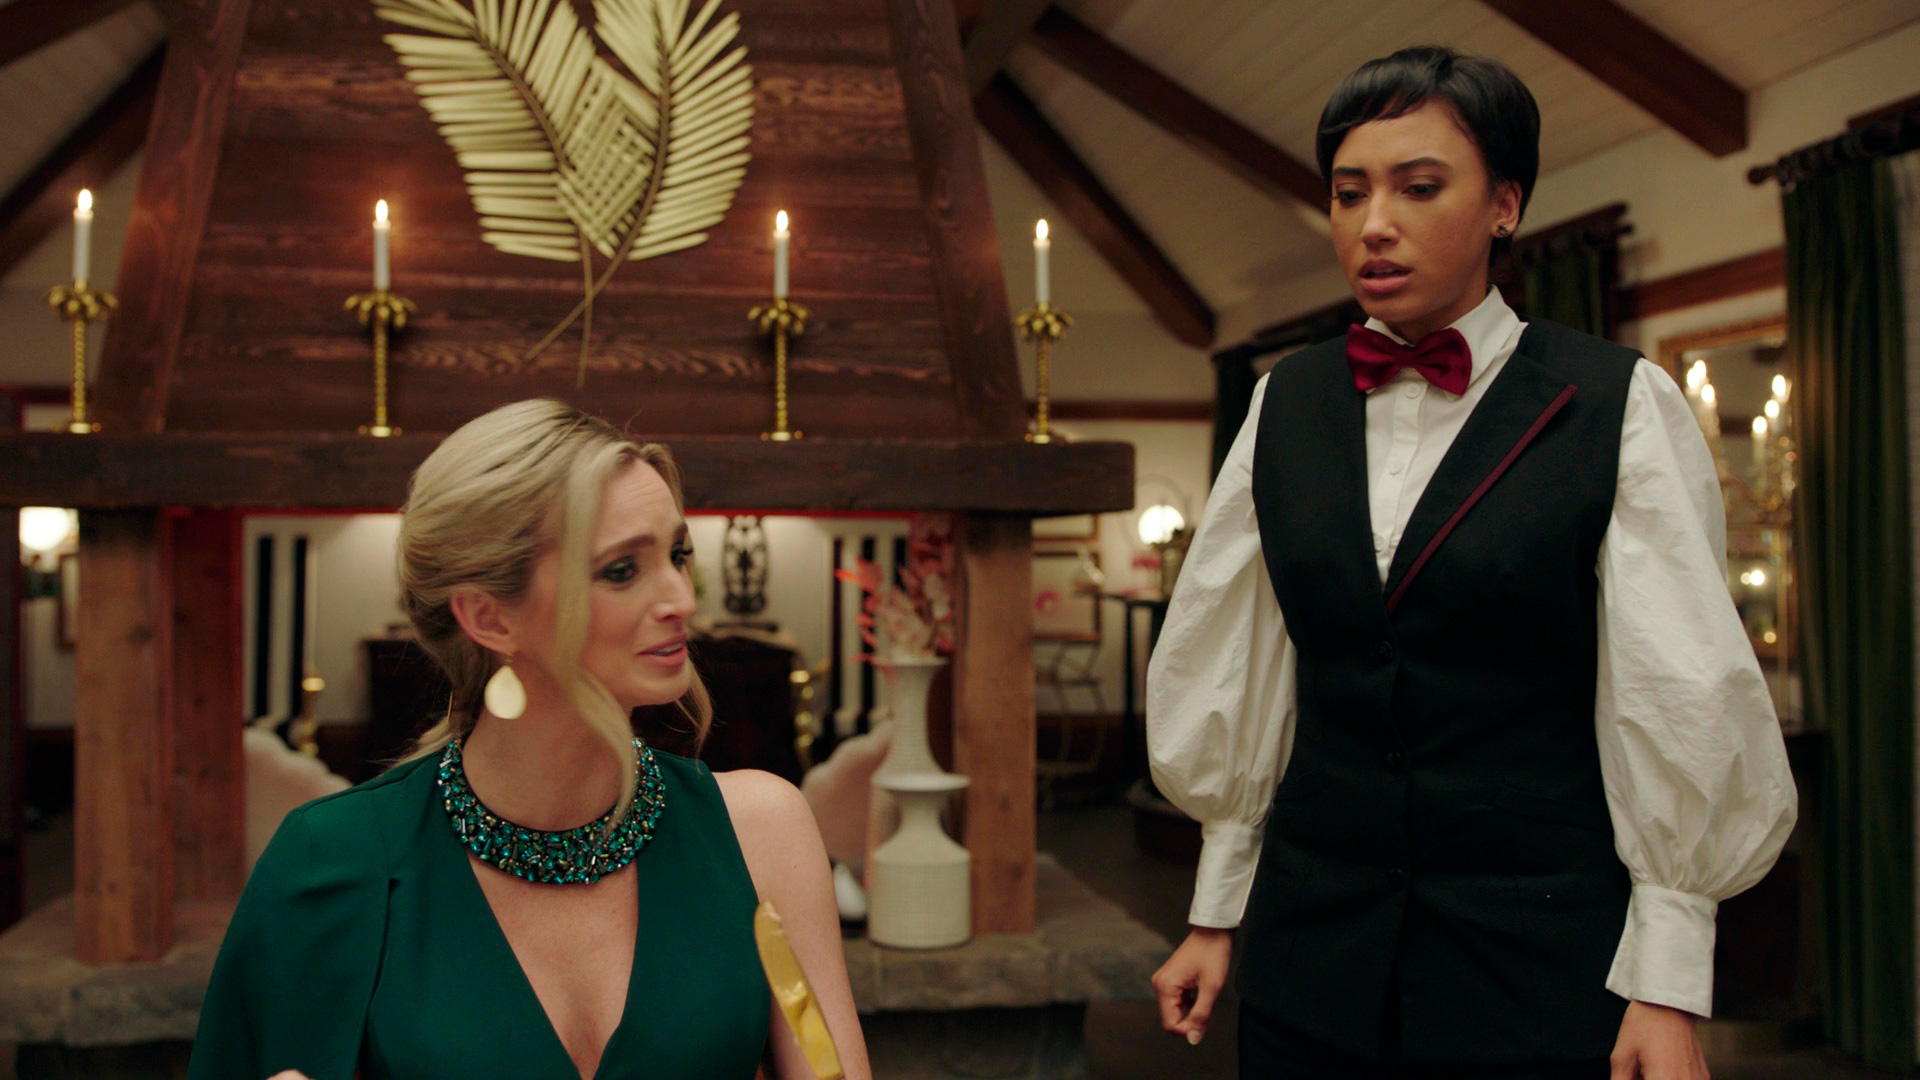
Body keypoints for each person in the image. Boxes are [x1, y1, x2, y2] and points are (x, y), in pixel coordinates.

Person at [1146, 46, 1796, 1079]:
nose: (1374, 224)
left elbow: (1676, 691)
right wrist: (1215, 915)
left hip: (1534, 961)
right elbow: (1243, 664)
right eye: (1349, 193)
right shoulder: (1284, 402)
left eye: (1418, 187)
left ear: (1504, 205)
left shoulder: (1616, 403)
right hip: (1312, 953)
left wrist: (1667, 984)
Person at [188, 400, 871, 1080]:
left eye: (677, 555)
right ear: (490, 618)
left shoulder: (759, 834)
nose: (682, 600)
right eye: (622, 570)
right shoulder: (327, 866)